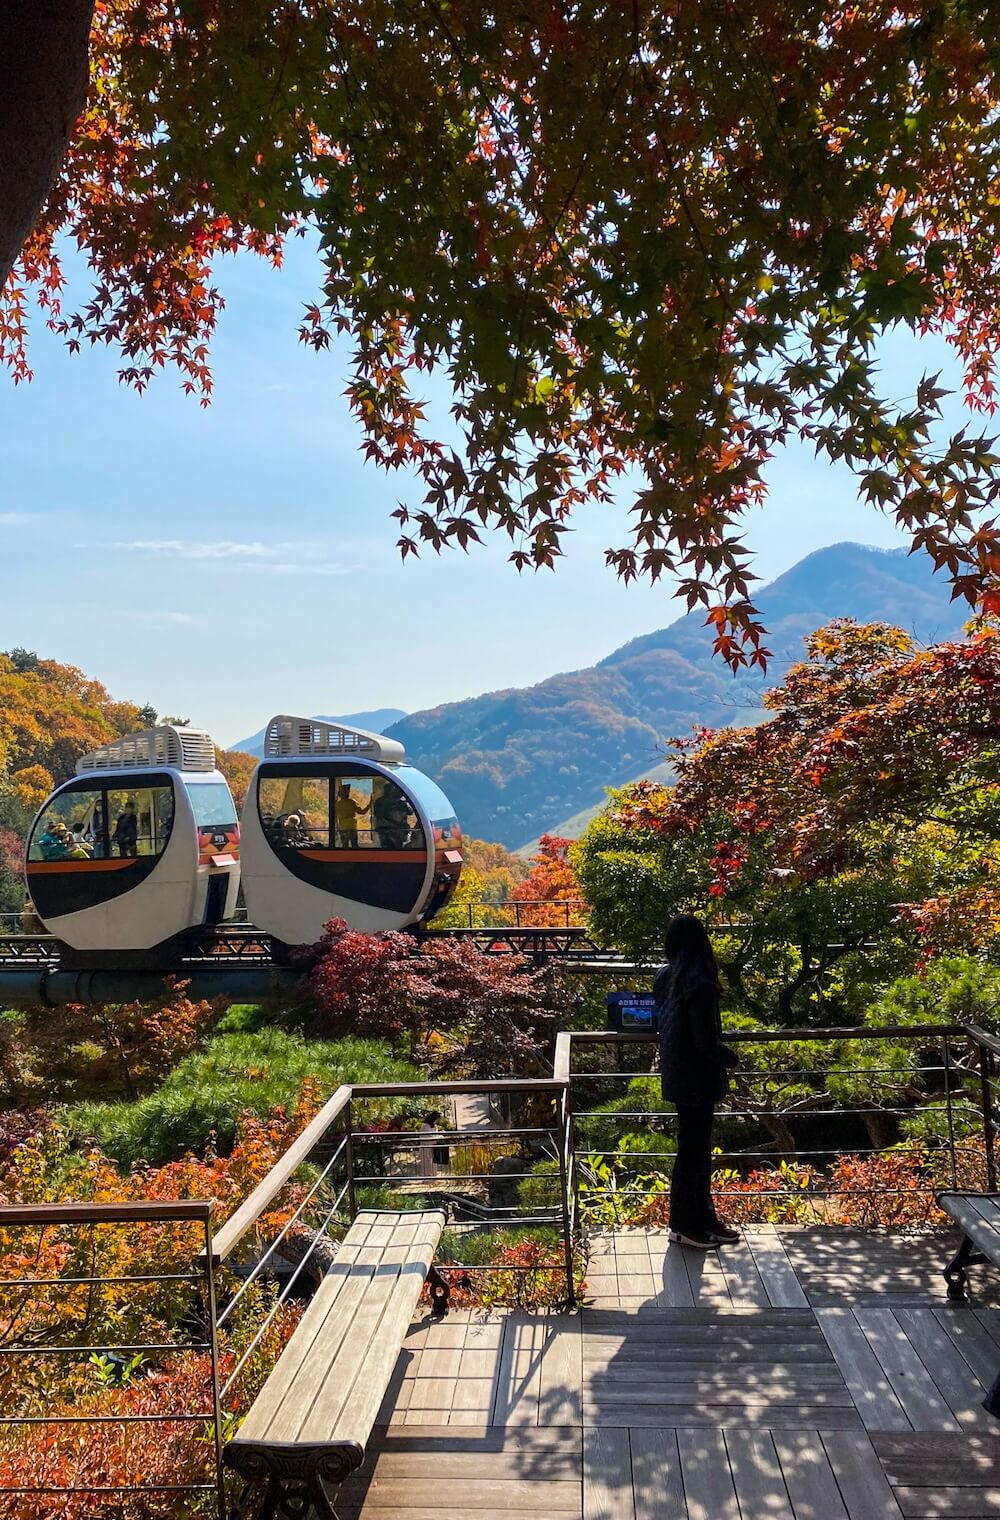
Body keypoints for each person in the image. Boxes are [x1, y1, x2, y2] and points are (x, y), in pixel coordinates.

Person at [656, 913, 739, 1249]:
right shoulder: (700, 981)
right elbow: (705, 1041)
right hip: (699, 1077)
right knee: (696, 1152)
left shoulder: (665, 976)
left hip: (677, 1072)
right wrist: (730, 1058)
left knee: (691, 1150)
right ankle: (687, 1224)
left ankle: (700, 1220)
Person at [335, 782, 370, 848]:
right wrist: (369, 805)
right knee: (354, 846)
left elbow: (334, 816)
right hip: (351, 827)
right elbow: (362, 812)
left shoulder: (338, 804)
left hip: (342, 828)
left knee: (344, 846)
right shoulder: (352, 802)